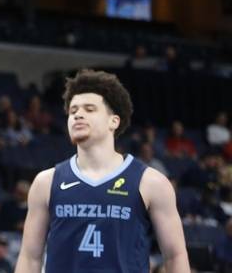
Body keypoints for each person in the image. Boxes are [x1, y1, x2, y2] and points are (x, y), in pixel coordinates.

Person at [14, 70, 189, 273]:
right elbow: (30, 257)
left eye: (89, 109)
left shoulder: (150, 182)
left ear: (113, 121)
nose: (78, 115)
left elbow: (175, 256)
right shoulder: (46, 182)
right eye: (73, 111)